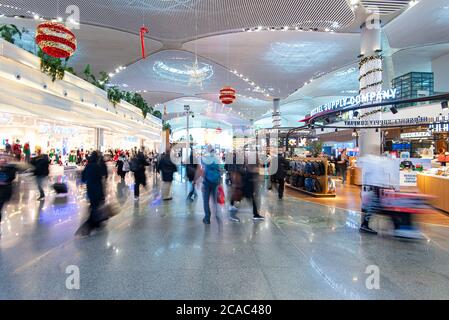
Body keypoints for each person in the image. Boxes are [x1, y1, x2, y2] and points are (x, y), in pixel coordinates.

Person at [79, 151, 107, 235]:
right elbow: (103, 176)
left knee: (94, 205)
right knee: (96, 206)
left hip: (90, 188)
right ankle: (91, 224)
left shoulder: (88, 166)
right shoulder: (98, 166)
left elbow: (83, 179)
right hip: (98, 188)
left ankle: (96, 222)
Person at [201, 146, 222, 225]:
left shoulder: (205, 159)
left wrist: (202, 180)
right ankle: (217, 214)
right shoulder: (217, 159)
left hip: (207, 182)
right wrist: (219, 182)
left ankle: (207, 218)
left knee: (206, 200)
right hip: (215, 182)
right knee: (214, 200)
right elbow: (220, 170)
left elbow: (203, 170)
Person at [0, 156, 17, 226]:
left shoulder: (9, 169)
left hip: (4, 191)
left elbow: (11, 177)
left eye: (3, 160)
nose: (1, 161)